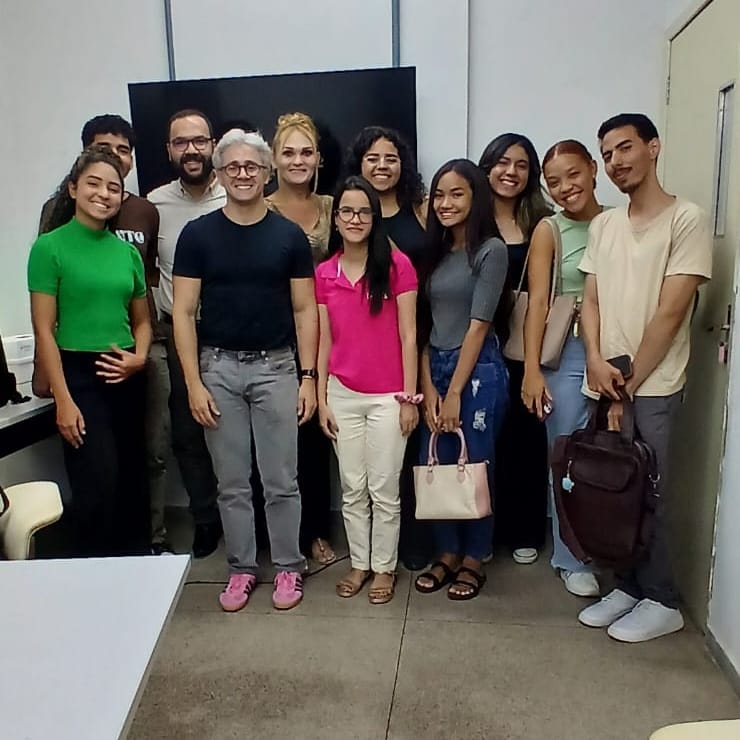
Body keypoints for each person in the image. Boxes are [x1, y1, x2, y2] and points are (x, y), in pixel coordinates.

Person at [577, 113, 712, 642]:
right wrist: (594, 359)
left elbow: (670, 313)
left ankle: (663, 599)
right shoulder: (604, 225)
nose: (616, 162)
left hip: (652, 386)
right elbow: (590, 301)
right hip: (604, 380)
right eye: (607, 154)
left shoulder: (686, 219)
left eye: (625, 148)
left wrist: (626, 387)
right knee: (612, 492)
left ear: (653, 147)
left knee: (649, 491)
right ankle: (629, 586)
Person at [172, 128, 318, 613]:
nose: (242, 174)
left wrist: (308, 378)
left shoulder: (289, 236)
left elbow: (305, 310)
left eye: (251, 166)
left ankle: (289, 567)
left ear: (266, 172)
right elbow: (183, 313)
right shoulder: (197, 235)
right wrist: (193, 383)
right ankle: (241, 569)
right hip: (218, 371)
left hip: (277, 368)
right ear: (219, 173)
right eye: (232, 166)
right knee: (232, 482)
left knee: (281, 480)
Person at [39, 114, 171, 555]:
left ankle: (136, 568)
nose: (104, 194)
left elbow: (142, 320)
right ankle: (95, 572)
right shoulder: (50, 247)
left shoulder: (125, 254)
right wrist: (63, 400)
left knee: (133, 479)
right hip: (78, 375)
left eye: (113, 188)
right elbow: (44, 330)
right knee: (97, 482)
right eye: (93, 184)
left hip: (126, 371)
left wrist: (140, 356)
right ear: (74, 188)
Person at [316, 176, 418, 604]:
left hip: (388, 397)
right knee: (352, 487)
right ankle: (360, 563)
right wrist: (321, 398)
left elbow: (409, 336)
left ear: (375, 218)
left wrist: (410, 398)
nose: (355, 219)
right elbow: (324, 339)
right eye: (347, 211)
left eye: (364, 212)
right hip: (342, 393)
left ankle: (384, 568)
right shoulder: (325, 272)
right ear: (336, 218)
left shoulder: (398, 267)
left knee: (384, 489)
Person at [414, 159, 509, 600]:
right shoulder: (434, 253)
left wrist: (454, 392)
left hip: (477, 372)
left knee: (476, 465)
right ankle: (448, 552)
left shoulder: (491, 250)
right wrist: (429, 387)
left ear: (476, 197)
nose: (446, 203)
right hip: (434, 367)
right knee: (436, 461)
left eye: (456, 194)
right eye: (439, 194)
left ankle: (474, 557)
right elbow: (424, 325)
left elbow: (478, 326)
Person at [520, 139, 605, 598]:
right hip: (568, 353)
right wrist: (532, 370)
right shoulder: (550, 229)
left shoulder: (617, 222)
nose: (565, 187)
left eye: (573, 174)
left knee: (611, 454)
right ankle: (569, 558)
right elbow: (537, 303)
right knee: (568, 455)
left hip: (617, 350)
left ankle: (610, 545)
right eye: (553, 182)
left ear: (593, 169)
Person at [345, 125, 429, 570]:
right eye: (372, 158)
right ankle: (373, 553)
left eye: (391, 158)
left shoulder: (421, 208)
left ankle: (415, 540)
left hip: (422, 334)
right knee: (374, 467)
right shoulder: (350, 219)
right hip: (375, 349)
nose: (382, 166)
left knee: (413, 448)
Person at [148, 109, 225, 558]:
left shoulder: (237, 192)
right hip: (180, 334)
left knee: (237, 432)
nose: (191, 150)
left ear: (213, 145)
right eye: (181, 142)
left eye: (199, 141)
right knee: (188, 435)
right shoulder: (153, 206)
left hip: (232, 334)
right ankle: (205, 519)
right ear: (169, 150)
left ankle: (249, 519)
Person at [265, 112, 335, 566]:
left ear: (318, 159)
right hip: (274, 337)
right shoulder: (259, 207)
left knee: (313, 441)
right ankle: (276, 536)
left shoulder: (334, 207)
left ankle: (315, 533)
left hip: (329, 337)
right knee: (274, 443)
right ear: (273, 159)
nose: (297, 160)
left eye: (306, 152)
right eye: (288, 152)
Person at [479, 133, 552, 565]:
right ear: (487, 166)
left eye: (522, 165)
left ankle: (524, 529)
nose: (511, 172)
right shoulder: (470, 217)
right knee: (481, 438)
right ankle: (480, 532)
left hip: (524, 344)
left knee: (524, 437)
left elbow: (543, 294)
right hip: (476, 344)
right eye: (503, 162)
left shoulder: (542, 221)